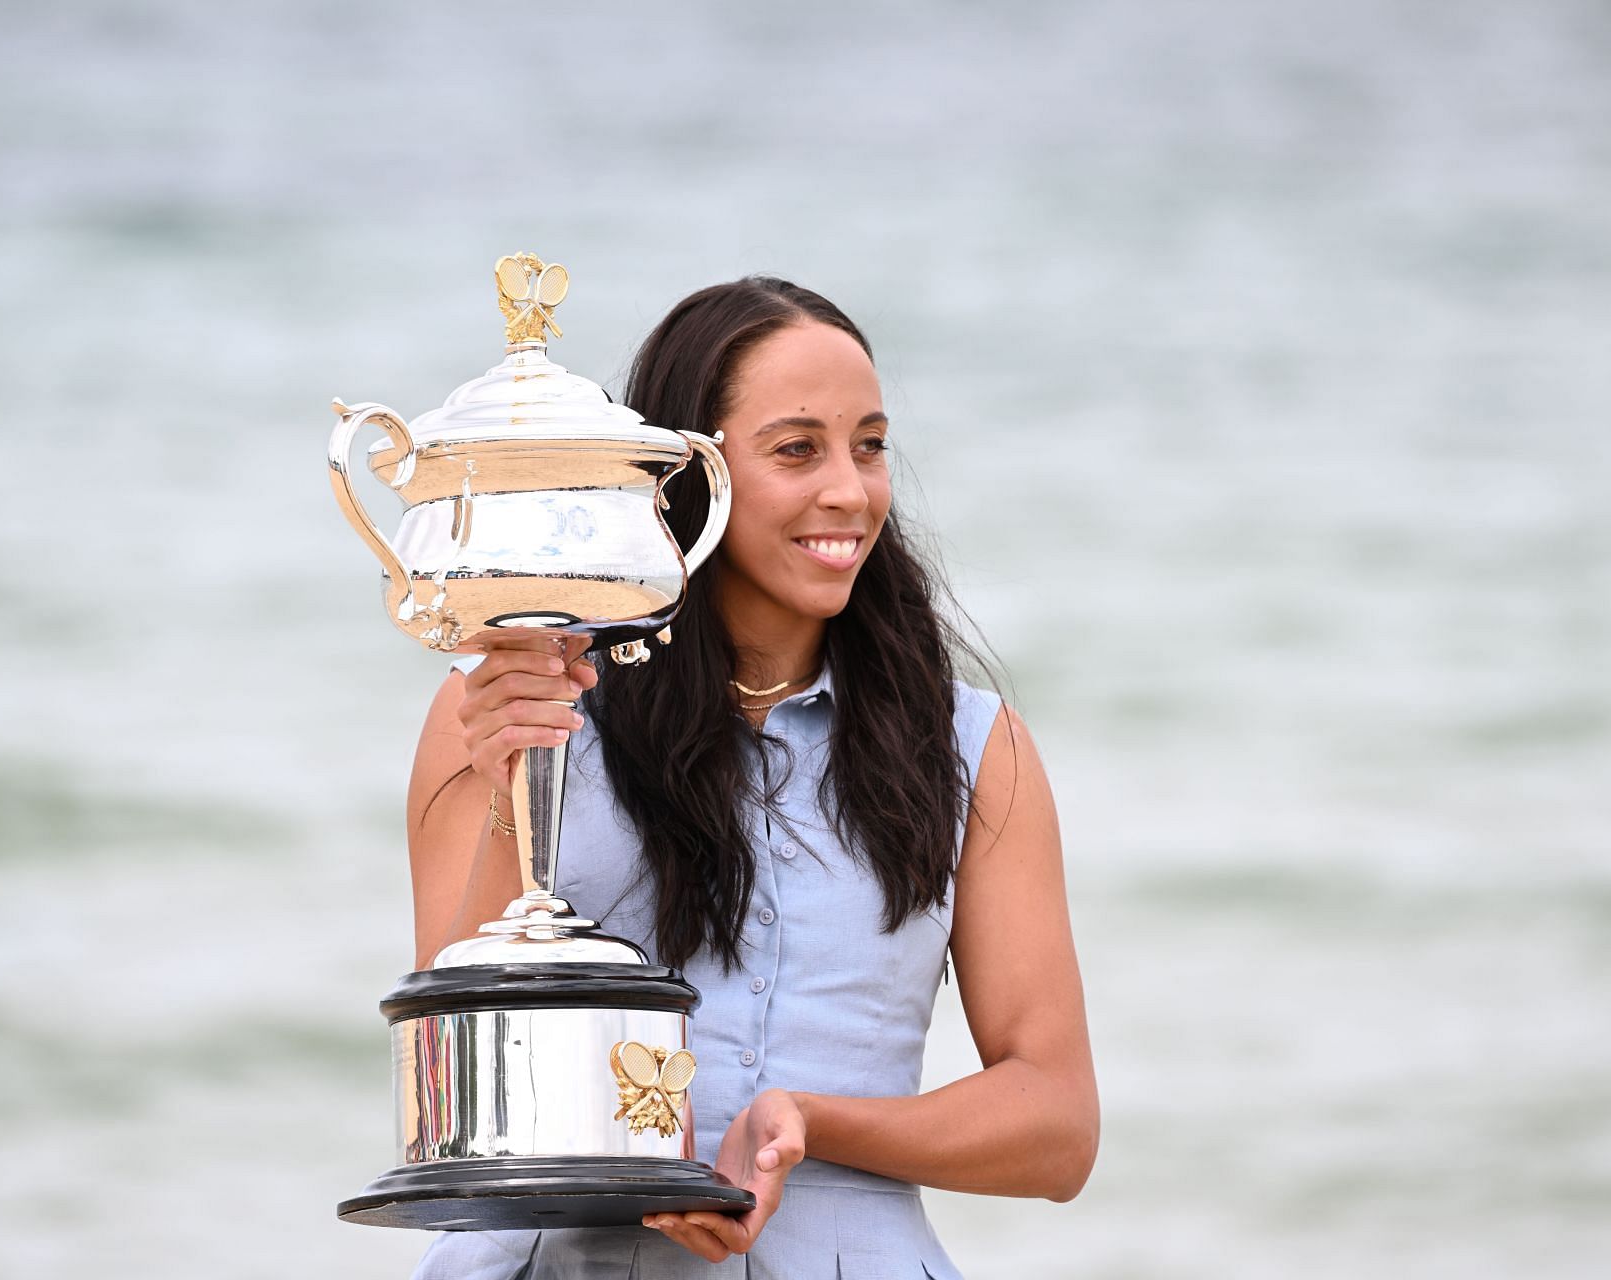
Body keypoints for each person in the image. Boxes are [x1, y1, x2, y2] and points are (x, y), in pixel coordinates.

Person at [405, 277, 1097, 1278]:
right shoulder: (516, 700)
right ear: (692, 473)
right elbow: (460, 1082)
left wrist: (805, 1122)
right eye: (796, 448)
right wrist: (516, 785)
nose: (850, 491)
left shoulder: (973, 746)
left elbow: (1057, 1124)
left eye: (869, 444)